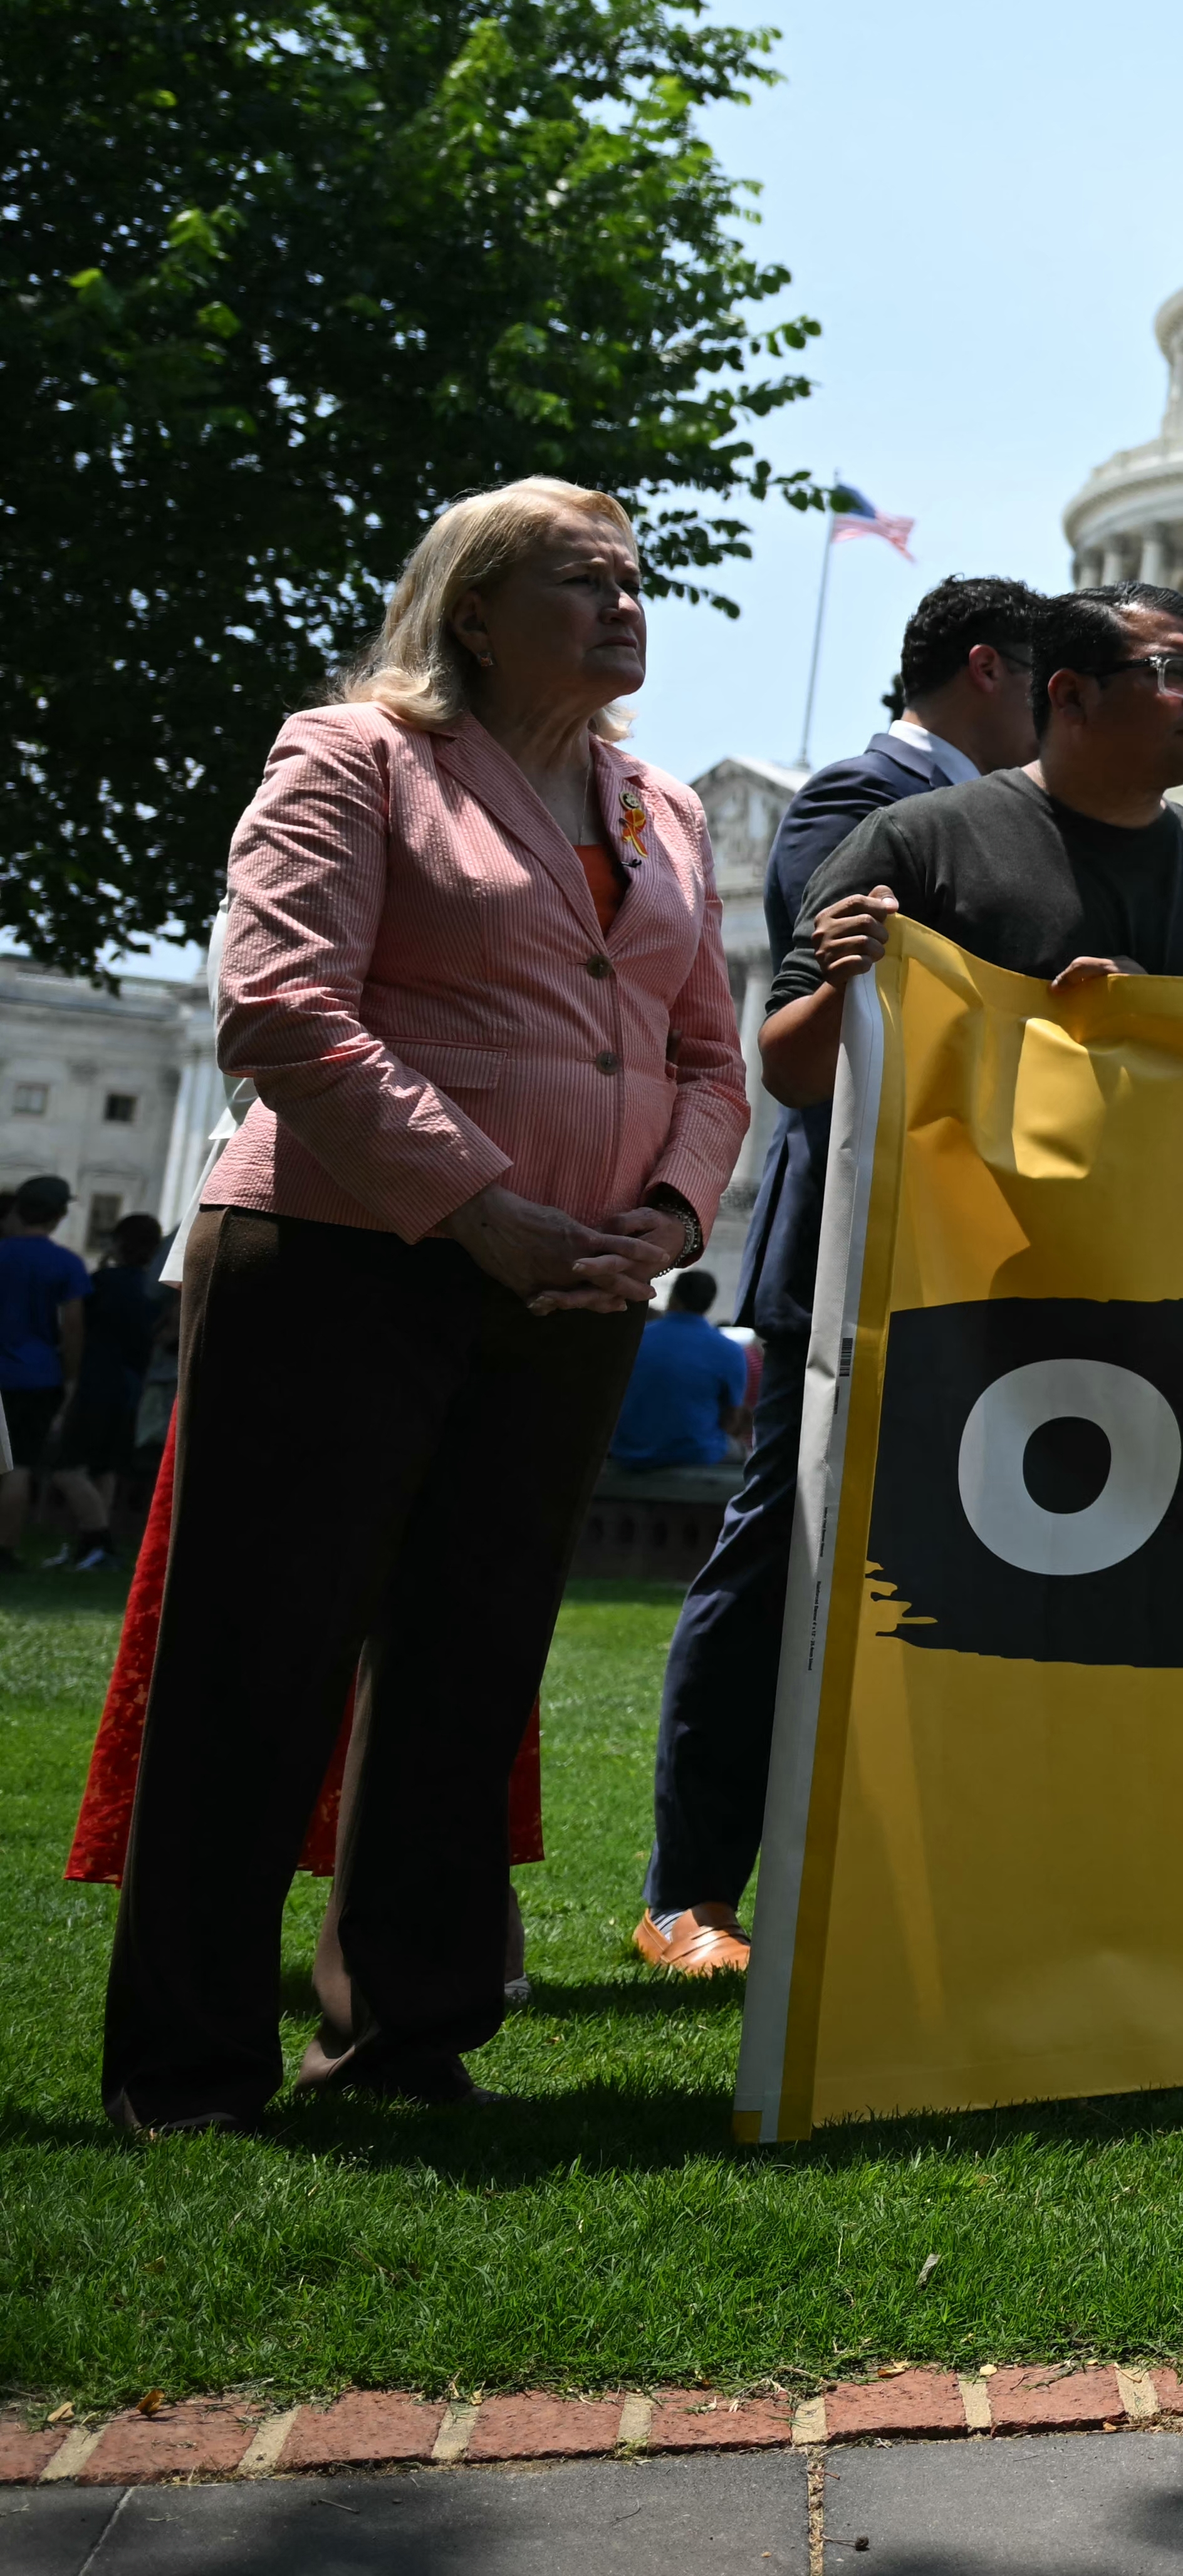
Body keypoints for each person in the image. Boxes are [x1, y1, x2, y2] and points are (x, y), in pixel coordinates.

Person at [96, 477, 746, 2136]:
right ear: (470, 608)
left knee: (472, 1658)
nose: (625, 606)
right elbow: (281, 1008)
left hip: (583, 1278)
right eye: (580, 582)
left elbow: (703, 1054)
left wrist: (662, 1216)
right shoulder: (355, 758)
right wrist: (479, 1207)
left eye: (632, 580)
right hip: (342, 1254)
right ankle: (191, 2065)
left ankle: (410, 2031)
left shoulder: (660, 806)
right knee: (262, 1656)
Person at [633, 574, 1043, 1978]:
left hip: (986, 1243)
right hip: (849, 1244)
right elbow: (834, 999)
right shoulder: (853, 801)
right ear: (989, 671)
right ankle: (688, 1887)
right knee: (777, 1561)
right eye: (1046, 679)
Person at [758, 583, 1183, 1119]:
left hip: (1161, 1216)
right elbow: (789, 1075)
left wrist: (1158, 1020)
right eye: (1175, 674)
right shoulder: (919, 841)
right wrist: (843, 987)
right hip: (959, 1216)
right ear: (1071, 695)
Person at [55, 1213, 170, 1572]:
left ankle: (99, 1540)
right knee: (105, 1469)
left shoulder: (103, 1283)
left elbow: (75, 1327)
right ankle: (91, 1548)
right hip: (130, 1385)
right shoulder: (151, 1292)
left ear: (118, 1243)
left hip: (96, 1381)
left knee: (66, 1467)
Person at [0, 1173, 88, 1568]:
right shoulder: (67, 1264)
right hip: (37, 1375)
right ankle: (5, 1550)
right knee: (18, 1467)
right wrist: (71, 1377)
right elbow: (73, 1328)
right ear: (57, 1218)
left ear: (17, 1209)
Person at [610, 1269, 755, 1471]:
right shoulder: (729, 1350)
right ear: (709, 1303)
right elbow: (732, 1417)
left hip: (627, 1449)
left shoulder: (634, 1339)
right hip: (697, 1452)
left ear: (673, 1297)